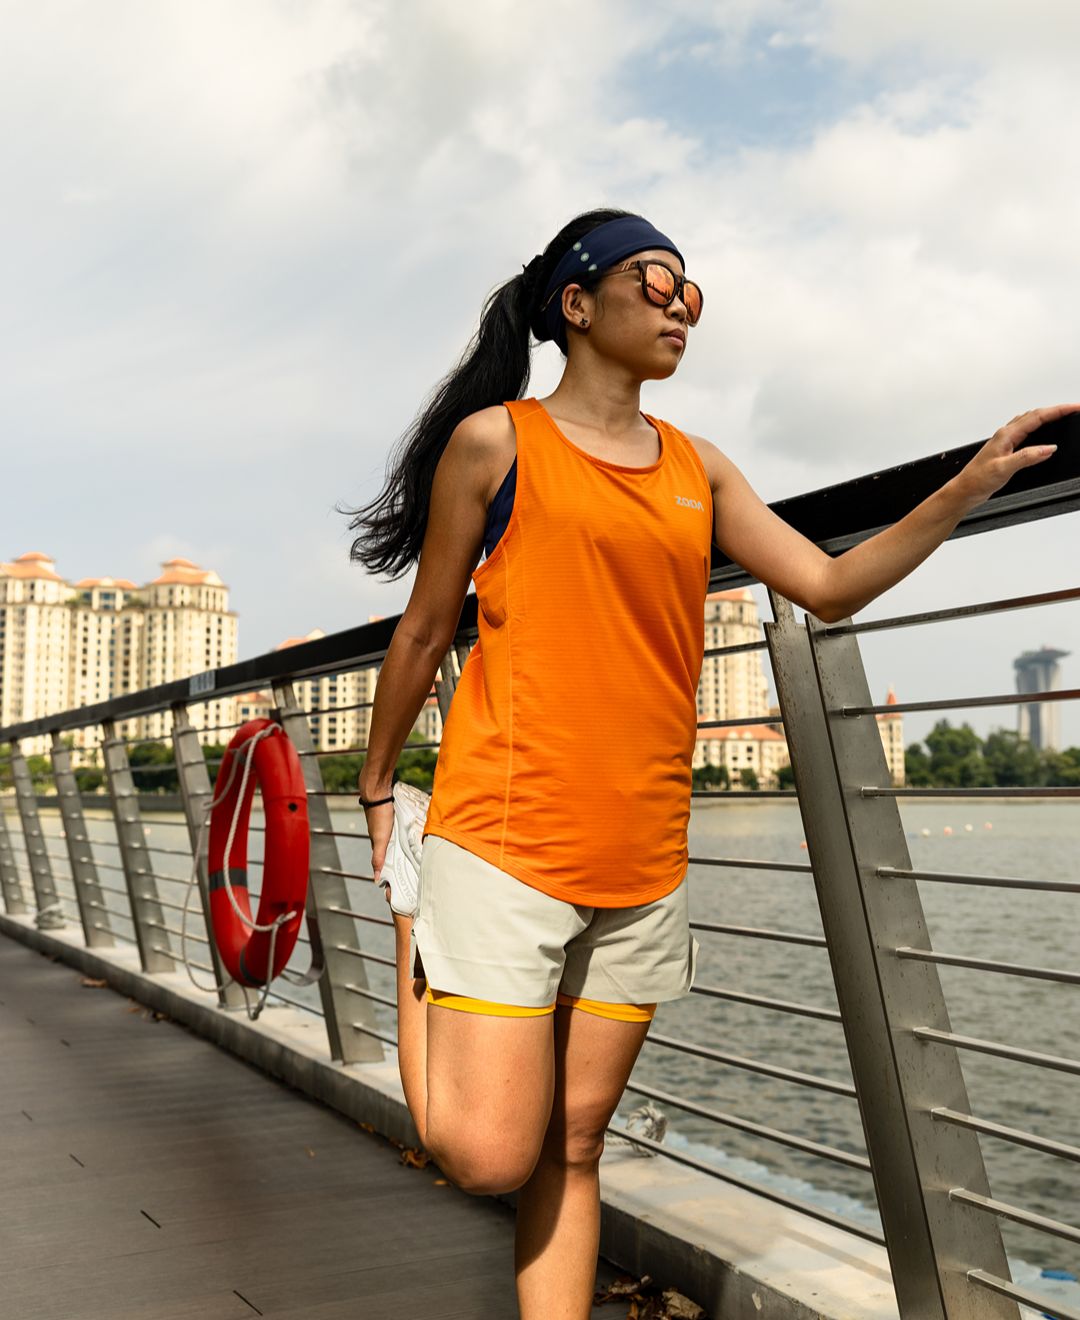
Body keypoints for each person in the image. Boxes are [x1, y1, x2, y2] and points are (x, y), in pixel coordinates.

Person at [347, 207, 1074, 1319]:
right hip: (501, 843)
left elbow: (826, 585)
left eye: (691, 289)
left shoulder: (700, 467)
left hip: (643, 860)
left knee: (575, 1146)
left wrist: (967, 484)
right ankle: (414, 920)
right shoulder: (499, 443)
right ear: (576, 304)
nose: (681, 305)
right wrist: (375, 786)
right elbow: (424, 627)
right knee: (486, 1155)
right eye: (655, 281)